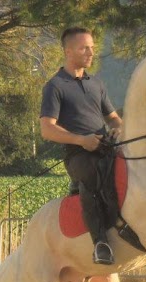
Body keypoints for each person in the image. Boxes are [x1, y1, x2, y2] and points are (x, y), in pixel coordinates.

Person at [40, 27, 123, 266]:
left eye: (92, 48)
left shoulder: (96, 83)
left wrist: (118, 127)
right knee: (92, 176)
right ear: (68, 51)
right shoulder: (55, 86)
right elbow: (47, 129)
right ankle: (101, 244)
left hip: (106, 147)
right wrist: (81, 140)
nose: (90, 52)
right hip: (78, 154)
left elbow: (114, 118)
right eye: (84, 48)